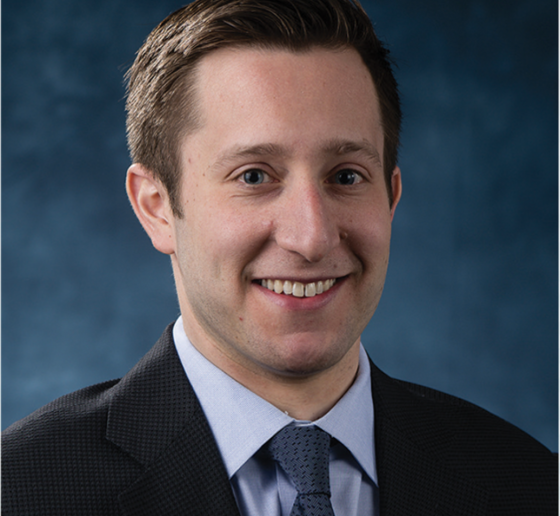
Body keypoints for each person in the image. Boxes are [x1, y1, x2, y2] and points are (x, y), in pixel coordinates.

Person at [2, 0, 556, 514]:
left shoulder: (529, 484)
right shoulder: (22, 490)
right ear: (158, 208)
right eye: (254, 176)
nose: (311, 237)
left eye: (345, 176)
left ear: (391, 197)